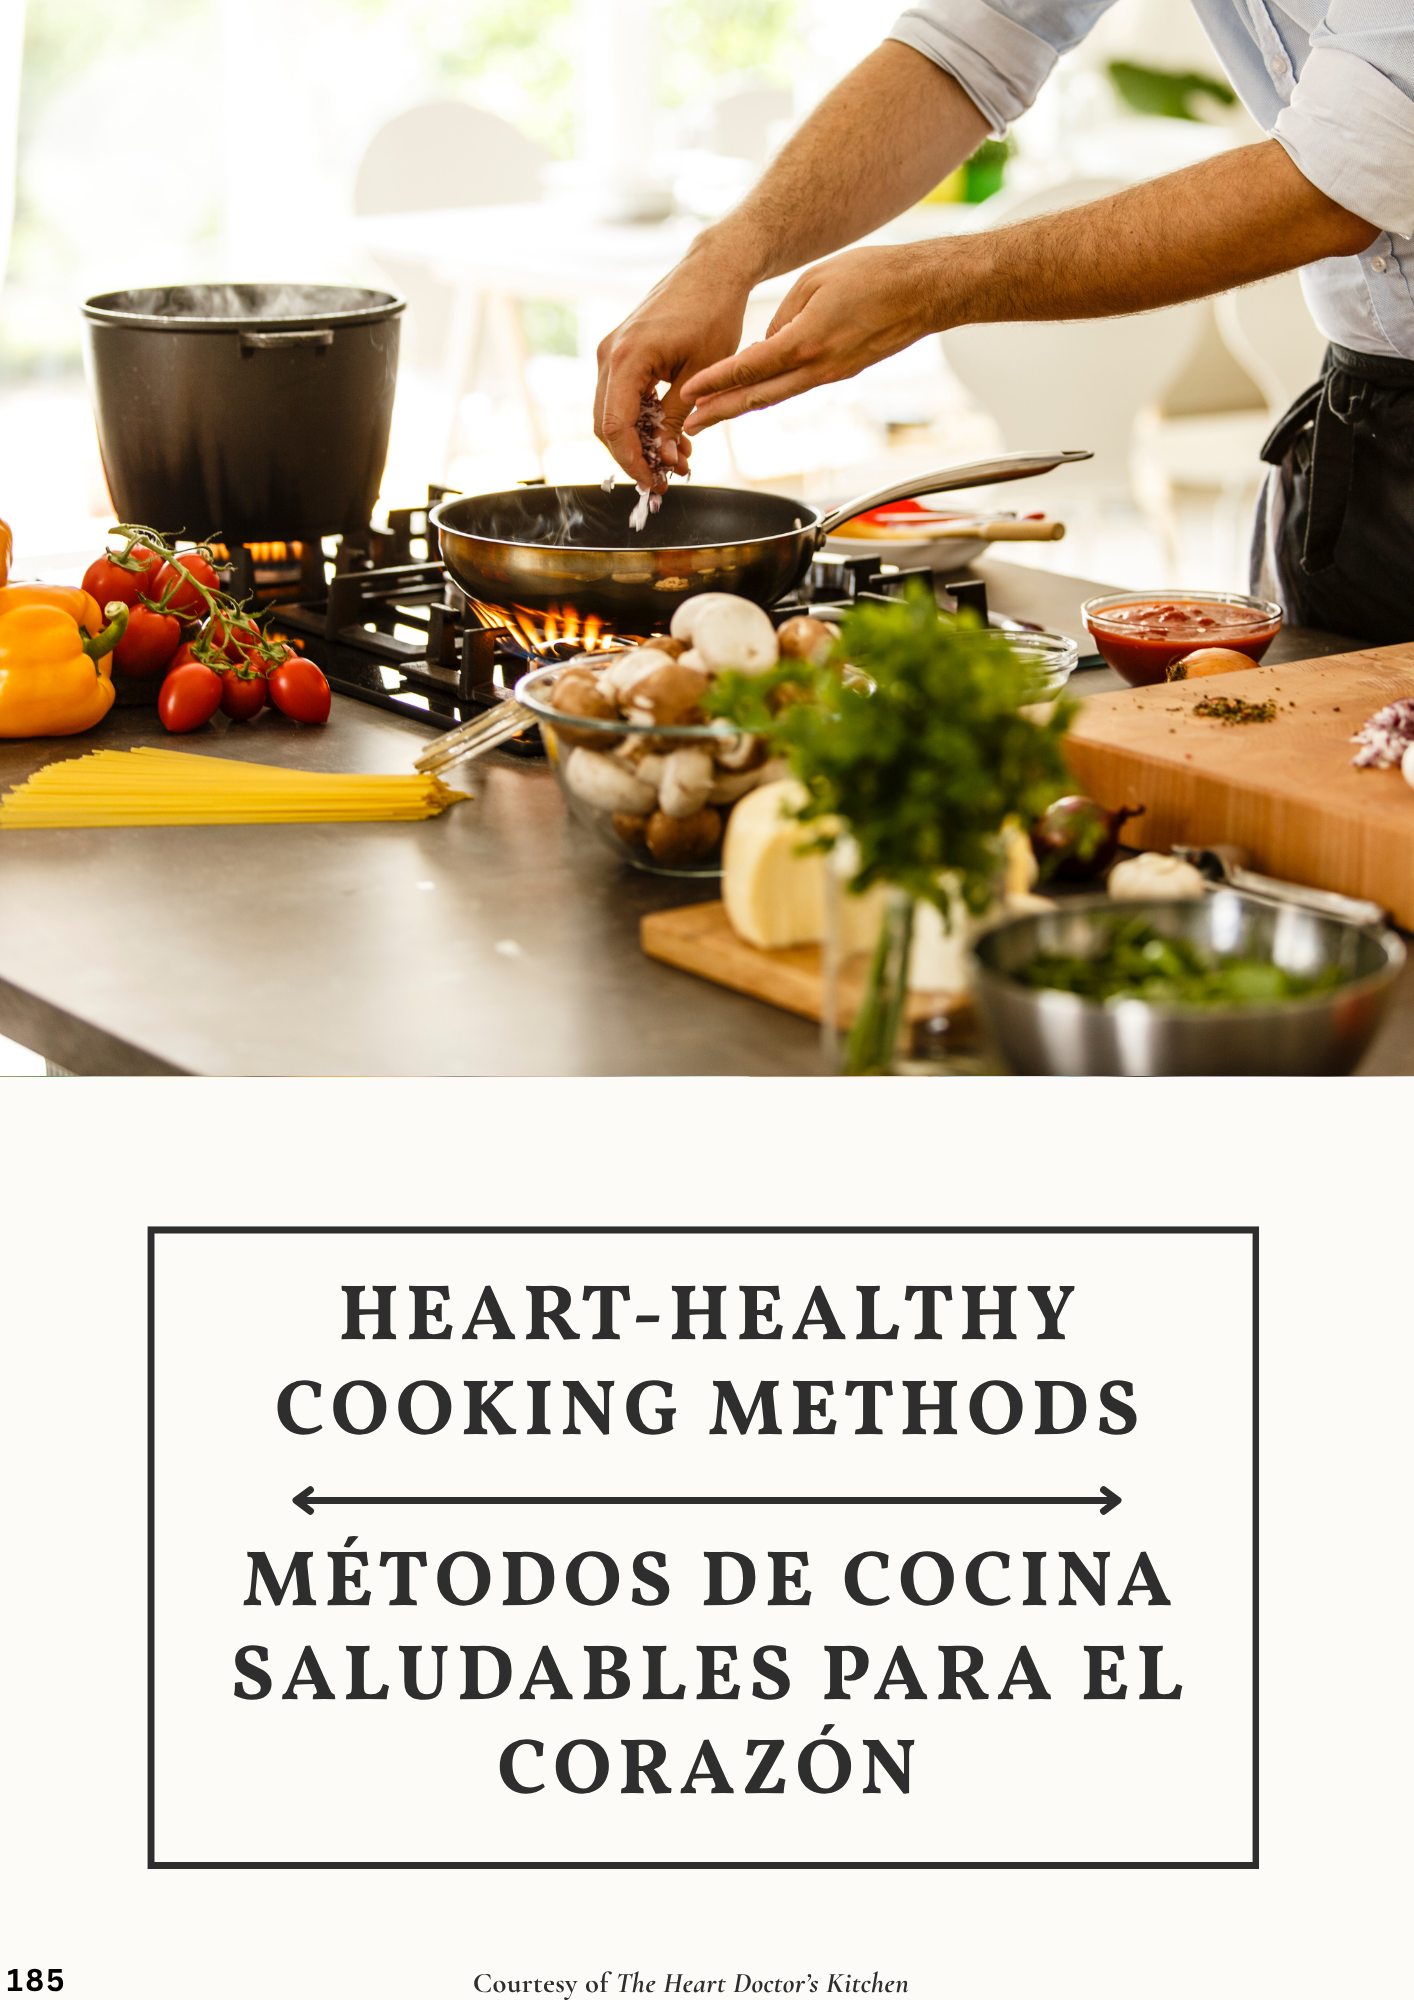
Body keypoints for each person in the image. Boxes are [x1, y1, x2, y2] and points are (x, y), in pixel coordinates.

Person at [593, 4, 1414, 643]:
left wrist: (933, 285)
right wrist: (727, 256)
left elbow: (1344, 174)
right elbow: (968, 43)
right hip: (1360, 425)